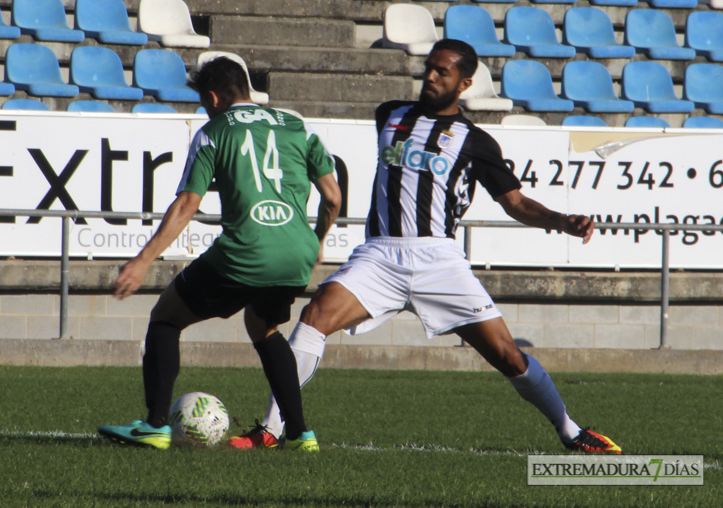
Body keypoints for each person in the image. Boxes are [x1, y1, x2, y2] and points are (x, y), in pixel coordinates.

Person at [229, 39, 621, 455]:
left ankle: (572, 432)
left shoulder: (477, 142)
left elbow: (516, 203)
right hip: (380, 254)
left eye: (442, 72)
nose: (430, 77)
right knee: (315, 316)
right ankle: (271, 428)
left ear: (465, 82)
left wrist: (562, 221)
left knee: (508, 355)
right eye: (429, 68)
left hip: (438, 259)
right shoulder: (390, 115)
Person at [97, 57, 342, 452]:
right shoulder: (299, 126)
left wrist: (142, 261)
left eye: (203, 102)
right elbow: (332, 197)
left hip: (246, 251)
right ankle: (300, 435)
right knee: (264, 328)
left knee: (165, 318)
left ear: (212, 97)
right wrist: (317, 243)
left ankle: (156, 424)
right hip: (296, 252)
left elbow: (186, 205)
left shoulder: (214, 131)